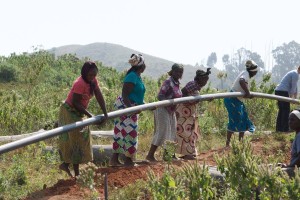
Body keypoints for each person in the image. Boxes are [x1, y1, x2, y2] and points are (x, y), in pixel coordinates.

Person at [58, 61, 108, 177]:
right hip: (70, 111)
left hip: (79, 112)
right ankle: (76, 173)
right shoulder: (79, 83)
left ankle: (66, 164)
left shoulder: (93, 81)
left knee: (82, 138)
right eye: (90, 75)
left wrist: (105, 114)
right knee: (76, 139)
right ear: (84, 73)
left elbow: (99, 95)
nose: (92, 77)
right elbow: (75, 103)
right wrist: (90, 115)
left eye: (94, 75)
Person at [109, 54, 146, 166]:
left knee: (122, 133)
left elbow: (135, 95)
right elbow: (125, 95)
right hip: (126, 106)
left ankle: (115, 160)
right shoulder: (132, 76)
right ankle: (128, 160)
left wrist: (143, 105)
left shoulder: (137, 76)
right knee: (130, 133)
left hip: (130, 106)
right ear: (141, 65)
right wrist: (132, 109)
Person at [146, 63, 184, 162]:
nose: (179, 73)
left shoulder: (177, 83)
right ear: (173, 71)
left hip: (171, 111)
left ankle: (168, 155)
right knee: (162, 132)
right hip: (163, 109)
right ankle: (150, 155)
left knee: (172, 132)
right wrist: (169, 103)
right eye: (177, 71)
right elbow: (160, 96)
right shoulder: (168, 81)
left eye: (181, 72)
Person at [175, 68, 211, 160]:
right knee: (183, 131)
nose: (205, 82)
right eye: (204, 80)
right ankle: (186, 153)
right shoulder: (193, 84)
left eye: (207, 80)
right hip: (183, 111)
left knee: (190, 132)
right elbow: (182, 93)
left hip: (189, 112)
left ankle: (189, 152)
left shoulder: (197, 86)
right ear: (199, 78)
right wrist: (187, 101)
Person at [224, 60, 258, 146]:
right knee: (234, 120)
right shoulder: (245, 74)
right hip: (232, 99)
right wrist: (248, 92)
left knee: (243, 119)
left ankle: (241, 143)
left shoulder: (246, 74)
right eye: (256, 71)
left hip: (238, 100)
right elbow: (241, 81)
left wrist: (247, 93)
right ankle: (227, 144)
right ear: (253, 71)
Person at [274, 66, 300, 132]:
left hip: (278, 91)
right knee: (286, 111)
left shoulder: (294, 73)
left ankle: (279, 129)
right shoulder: (295, 74)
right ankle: (285, 129)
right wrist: (291, 98)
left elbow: (295, 87)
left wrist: (295, 97)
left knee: (282, 110)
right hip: (283, 91)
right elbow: (293, 88)